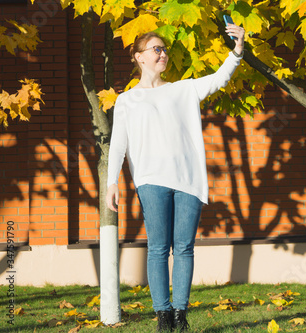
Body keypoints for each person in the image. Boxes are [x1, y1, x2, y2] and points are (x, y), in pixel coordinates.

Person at [105, 22, 245, 332]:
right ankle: (162, 315)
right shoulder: (127, 100)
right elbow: (119, 144)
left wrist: (237, 50)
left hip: (188, 180)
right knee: (158, 247)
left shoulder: (183, 89)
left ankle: (180, 315)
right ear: (139, 57)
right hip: (151, 180)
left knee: (184, 248)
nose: (163, 54)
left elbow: (220, 78)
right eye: (156, 49)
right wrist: (111, 182)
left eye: (164, 49)